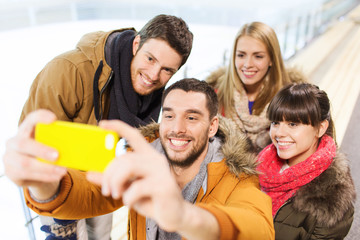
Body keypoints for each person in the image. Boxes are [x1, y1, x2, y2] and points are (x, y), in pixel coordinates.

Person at [4, 78, 275, 240]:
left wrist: (184, 216)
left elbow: (258, 228)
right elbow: (90, 191)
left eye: (192, 117)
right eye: (169, 115)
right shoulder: (144, 160)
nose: (177, 128)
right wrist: (43, 182)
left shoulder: (238, 176)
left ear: (213, 126)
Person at [18, 14, 193, 239]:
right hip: (58, 181)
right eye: (150, 59)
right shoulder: (69, 70)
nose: (153, 75)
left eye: (167, 70)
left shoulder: (153, 94)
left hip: (101, 176)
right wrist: (62, 211)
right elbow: (36, 139)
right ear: (136, 44)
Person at [256, 83, 356, 239]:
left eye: (293, 124)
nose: (279, 133)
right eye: (275, 123)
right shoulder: (255, 164)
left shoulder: (332, 201)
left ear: (320, 128)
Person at [206, 21, 293, 153]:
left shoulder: (291, 102)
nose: (248, 64)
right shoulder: (213, 97)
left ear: (271, 59)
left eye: (258, 56)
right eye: (241, 55)